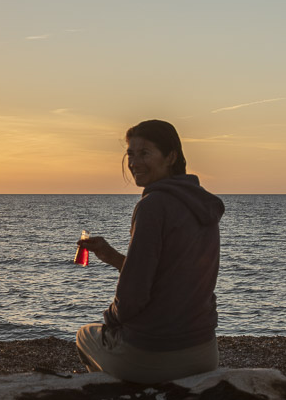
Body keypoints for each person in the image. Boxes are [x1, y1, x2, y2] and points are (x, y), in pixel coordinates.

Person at [76, 119, 224, 384]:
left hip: (154, 356)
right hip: (204, 351)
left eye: (145, 153)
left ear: (171, 157)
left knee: (85, 335)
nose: (134, 163)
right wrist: (112, 257)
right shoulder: (203, 204)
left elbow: (132, 296)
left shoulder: (152, 206)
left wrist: (111, 318)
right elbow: (167, 277)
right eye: (130, 154)